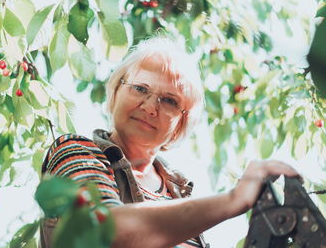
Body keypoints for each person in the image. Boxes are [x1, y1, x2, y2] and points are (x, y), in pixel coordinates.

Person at [40, 36, 300, 248]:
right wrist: (233, 200)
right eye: (141, 88)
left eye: (169, 101)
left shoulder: (179, 194)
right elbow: (106, 230)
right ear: (117, 90)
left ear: (181, 124)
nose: (151, 107)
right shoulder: (76, 151)